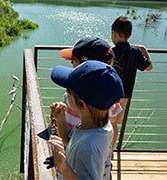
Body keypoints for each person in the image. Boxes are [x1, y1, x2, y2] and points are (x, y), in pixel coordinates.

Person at [49, 61, 124, 180]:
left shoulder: (89, 149)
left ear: (81, 104)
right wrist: (61, 121)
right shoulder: (100, 125)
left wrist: (65, 169)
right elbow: (71, 141)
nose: (66, 95)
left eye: (68, 92)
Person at [110, 16, 153, 150]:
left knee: (108, 124)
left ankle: (105, 152)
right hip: (125, 96)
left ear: (114, 34)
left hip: (113, 96)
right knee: (115, 125)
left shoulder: (111, 52)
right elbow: (149, 67)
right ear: (130, 35)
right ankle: (111, 150)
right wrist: (144, 50)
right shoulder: (135, 52)